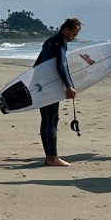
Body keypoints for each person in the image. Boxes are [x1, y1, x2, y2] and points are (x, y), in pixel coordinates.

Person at [34, 17, 81, 167]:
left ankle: (49, 157)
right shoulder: (61, 40)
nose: (74, 37)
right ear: (66, 30)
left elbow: (37, 64)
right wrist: (68, 86)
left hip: (40, 83)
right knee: (52, 119)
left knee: (45, 119)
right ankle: (53, 158)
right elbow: (61, 65)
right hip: (50, 85)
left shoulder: (49, 41)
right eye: (74, 33)